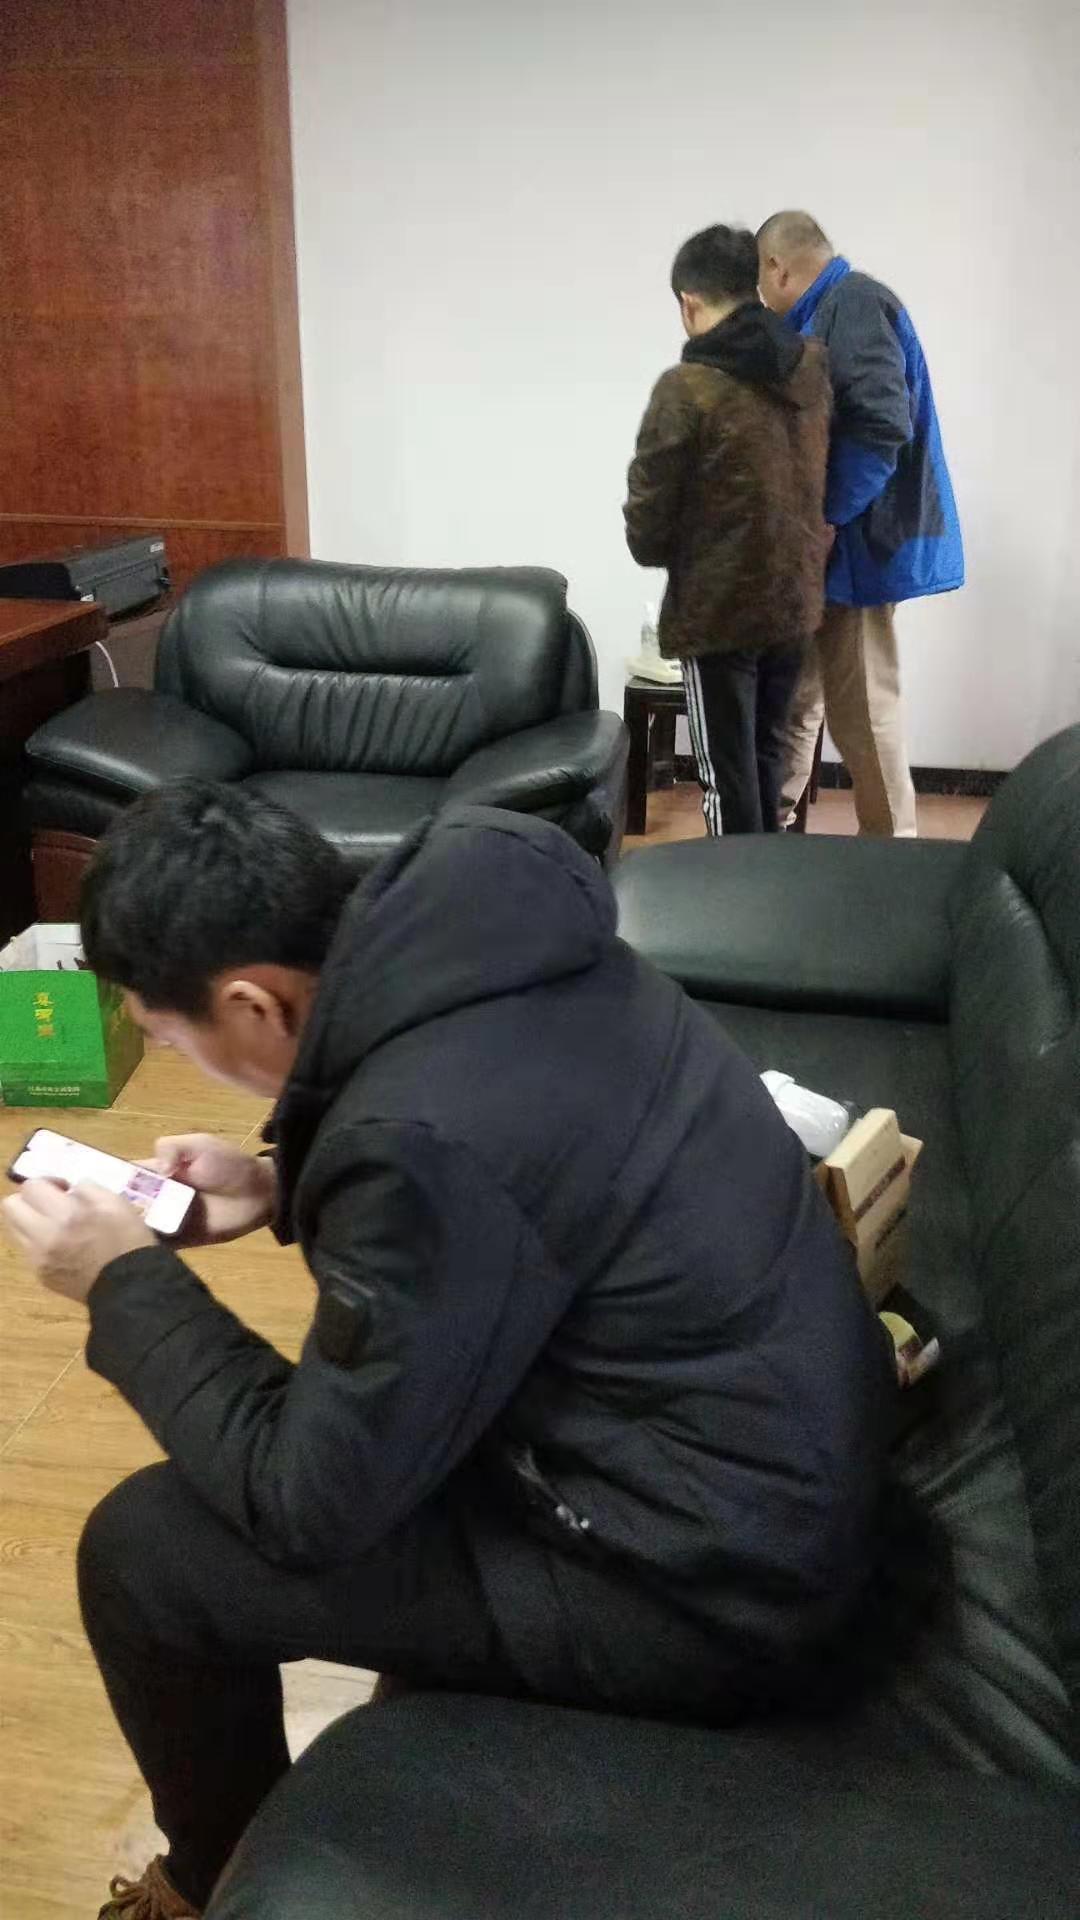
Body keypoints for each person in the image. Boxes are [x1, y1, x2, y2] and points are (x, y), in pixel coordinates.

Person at [1, 783, 895, 1919]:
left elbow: (307, 1504)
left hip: (709, 1595)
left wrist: (123, 1281)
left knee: (145, 1556)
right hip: (776, 1463)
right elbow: (519, 1181)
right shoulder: (491, 919)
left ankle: (206, 1879)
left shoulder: (419, 1148)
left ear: (252, 1002)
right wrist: (275, 1182)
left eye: (174, 1036)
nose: (180, 1056)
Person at [757, 212, 964, 836]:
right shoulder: (827, 312)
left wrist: (824, 516)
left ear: (778, 267)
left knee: (865, 712)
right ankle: (764, 837)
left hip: (858, 550)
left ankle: (895, 856)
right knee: (796, 699)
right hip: (831, 552)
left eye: (760, 281)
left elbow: (881, 426)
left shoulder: (855, 304)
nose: (761, 298)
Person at [624, 223, 831, 834]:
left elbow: (648, 524)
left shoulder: (686, 388)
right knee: (768, 759)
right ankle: (763, 882)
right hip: (795, 600)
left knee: (726, 775)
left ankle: (734, 889)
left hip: (718, 612)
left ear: (689, 303)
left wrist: (663, 546)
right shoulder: (810, 368)